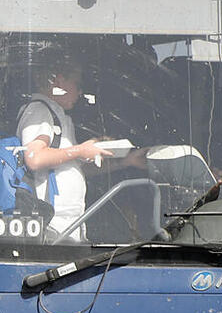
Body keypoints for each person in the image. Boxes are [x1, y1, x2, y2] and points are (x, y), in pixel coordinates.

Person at [18, 57, 145, 240]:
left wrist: (125, 161)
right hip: (51, 227)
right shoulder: (40, 111)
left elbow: (74, 169)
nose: (80, 91)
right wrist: (80, 151)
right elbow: (34, 157)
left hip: (67, 226)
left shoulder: (59, 117)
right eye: (77, 83)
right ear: (58, 81)